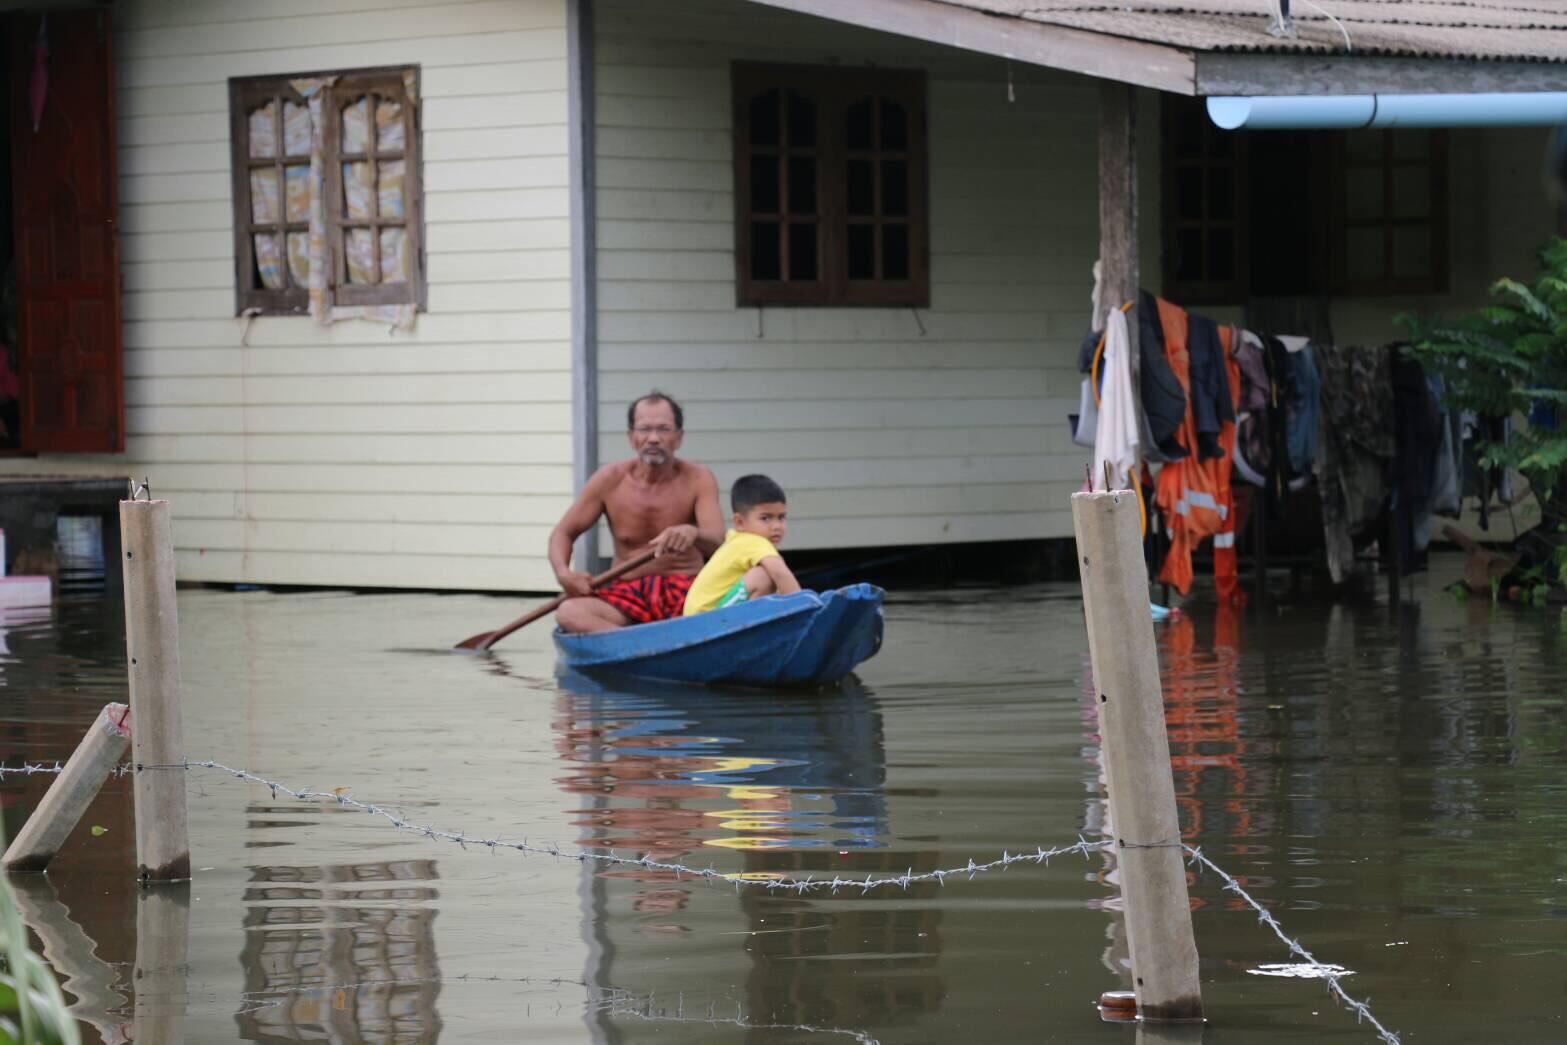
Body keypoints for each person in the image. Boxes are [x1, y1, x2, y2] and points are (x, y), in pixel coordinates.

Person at [549, 391, 724, 633]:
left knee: (739, 599)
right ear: (631, 437)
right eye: (644, 429)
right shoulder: (609, 480)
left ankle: (640, 640)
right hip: (628, 592)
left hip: (687, 590)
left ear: (679, 437)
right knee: (569, 612)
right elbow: (563, 533)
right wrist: (563, 574)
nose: (653, 438)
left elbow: (717, 541)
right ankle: (640, 643)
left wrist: (692, 533)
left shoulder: (698, 478)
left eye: (663, 429)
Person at [682, 474, 801, 616]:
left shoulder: (738, 540)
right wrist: (803, 607)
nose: (776, 526)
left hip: (702, 616)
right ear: (739, 522)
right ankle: (753, 625)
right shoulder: (752, 541)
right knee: (762, 577)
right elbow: (780, 572)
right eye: (765, 518)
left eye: (781, 517)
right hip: (706, 619)